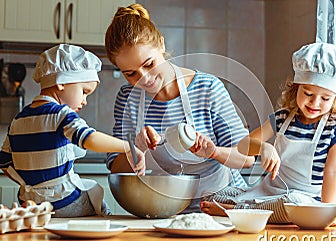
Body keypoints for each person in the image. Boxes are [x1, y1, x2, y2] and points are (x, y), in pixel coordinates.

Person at [104, 3, 255, 212]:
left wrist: (213, 152)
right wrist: (135, 150)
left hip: (222, 209)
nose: (144, 78)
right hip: (165, 211)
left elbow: (247, 158)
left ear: (161, 45)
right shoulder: (126, 99)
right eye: (130, 73)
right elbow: (115, 168)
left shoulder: (207, 88)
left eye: (149, 64)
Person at [200, 42, 336, 223]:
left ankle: (236, 211)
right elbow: (243, 146)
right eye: (308, 93)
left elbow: (333, 171)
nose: (315, 103)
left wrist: (328, 211)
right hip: (271, 193)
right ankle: (245, 210)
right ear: (296, 88)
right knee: (214, 196)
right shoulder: (282, 118)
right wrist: (264, 147)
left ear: (335, 98)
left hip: (305, 200)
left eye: (325, 98)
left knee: (292, 204)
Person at [0, 44, 145, 217]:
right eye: (84, 92)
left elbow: (5, 164)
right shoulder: (62, 114)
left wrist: (34, 186)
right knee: (95, 194)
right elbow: (89, 139)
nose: (84, 101)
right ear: (61, 82)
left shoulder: (18, 119)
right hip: (65, 202)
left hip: (31, 205)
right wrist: (128, 147)